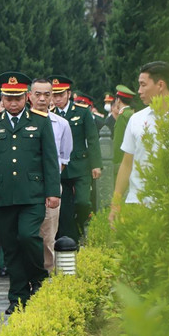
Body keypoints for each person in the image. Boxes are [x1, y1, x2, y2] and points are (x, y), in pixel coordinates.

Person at [0, 72, 60, 315]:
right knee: (11, 248)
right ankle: (18, 297)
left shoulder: (41, 121)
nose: (13, 103)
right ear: (1, 98)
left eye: (17, 98)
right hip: (3, 195)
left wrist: (53, 191)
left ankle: (38, 277)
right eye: (8, 98)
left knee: (27, 236)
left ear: (26, 98)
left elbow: (50, 159)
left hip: (32, 194)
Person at [109, 62, 169, 223]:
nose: (139, 91)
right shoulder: (136, 120)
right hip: (139, 203)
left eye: (143, 85)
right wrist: (116, 204)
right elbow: (127, 164)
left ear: (160, 85)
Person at [28, 78, 73, 273]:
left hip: (50, 186)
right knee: (27, 235)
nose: (42, 99)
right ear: (29, 96)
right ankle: (29, 275)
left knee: (48, 235)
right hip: (26, 186)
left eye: (47, 94)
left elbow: (63, 158)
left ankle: (47, 276)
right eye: (37, 94)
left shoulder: (61, 124)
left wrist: (50, 179)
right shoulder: (22, 123)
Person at [50, 76, 101, 242]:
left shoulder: (82, 111)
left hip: (81, 165)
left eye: (60, 95)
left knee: (83, 202)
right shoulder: (50, 115)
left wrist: (96, 164)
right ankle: (72, 238)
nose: (57, 99)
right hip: (61, 168)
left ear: (69, 94)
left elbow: (92, 138)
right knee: (65, 208)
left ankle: (82, 222)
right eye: (54, 95)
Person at [111, 85, 136, 177]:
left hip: (122, 162)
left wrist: (115, 162)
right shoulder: (132, 114)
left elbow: (118, 142)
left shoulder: (122, 116)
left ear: (118, 100)